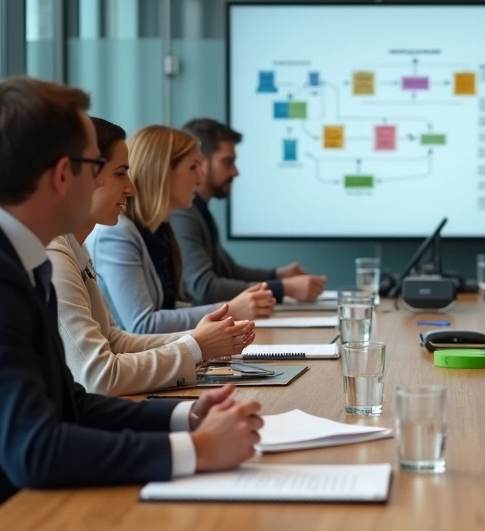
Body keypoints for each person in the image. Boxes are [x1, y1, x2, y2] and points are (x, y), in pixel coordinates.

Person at [0, 77, 262, 531]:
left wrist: (186, 418)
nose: (111, 182)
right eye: (95, 166)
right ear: (62, 175)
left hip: (15, 514)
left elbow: (67, 403)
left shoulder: (10, 254)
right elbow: (35, 449)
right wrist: (195, 451)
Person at [49, 117, 257, 396]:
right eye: (120, 173)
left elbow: (113, 340)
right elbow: (99, 376)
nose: (131, 188)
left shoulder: (77, 246)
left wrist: (198, 341)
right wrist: (196, 346)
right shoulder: (54, 253)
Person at [88, 125, 275, 334]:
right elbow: (143, 325)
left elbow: (169, 308)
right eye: (193, 167)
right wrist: (229, 309)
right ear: (163, 172)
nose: (199, 179)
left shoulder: (162, 231)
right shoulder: (117, 233)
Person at [174, 118, 326, 305]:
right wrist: (284, 288)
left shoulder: (200, 211)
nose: (235, 172)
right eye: (227, 162)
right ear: (200, 163)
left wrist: (277, 275)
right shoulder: (182, 214)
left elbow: (228, 271)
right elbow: (205, 288)